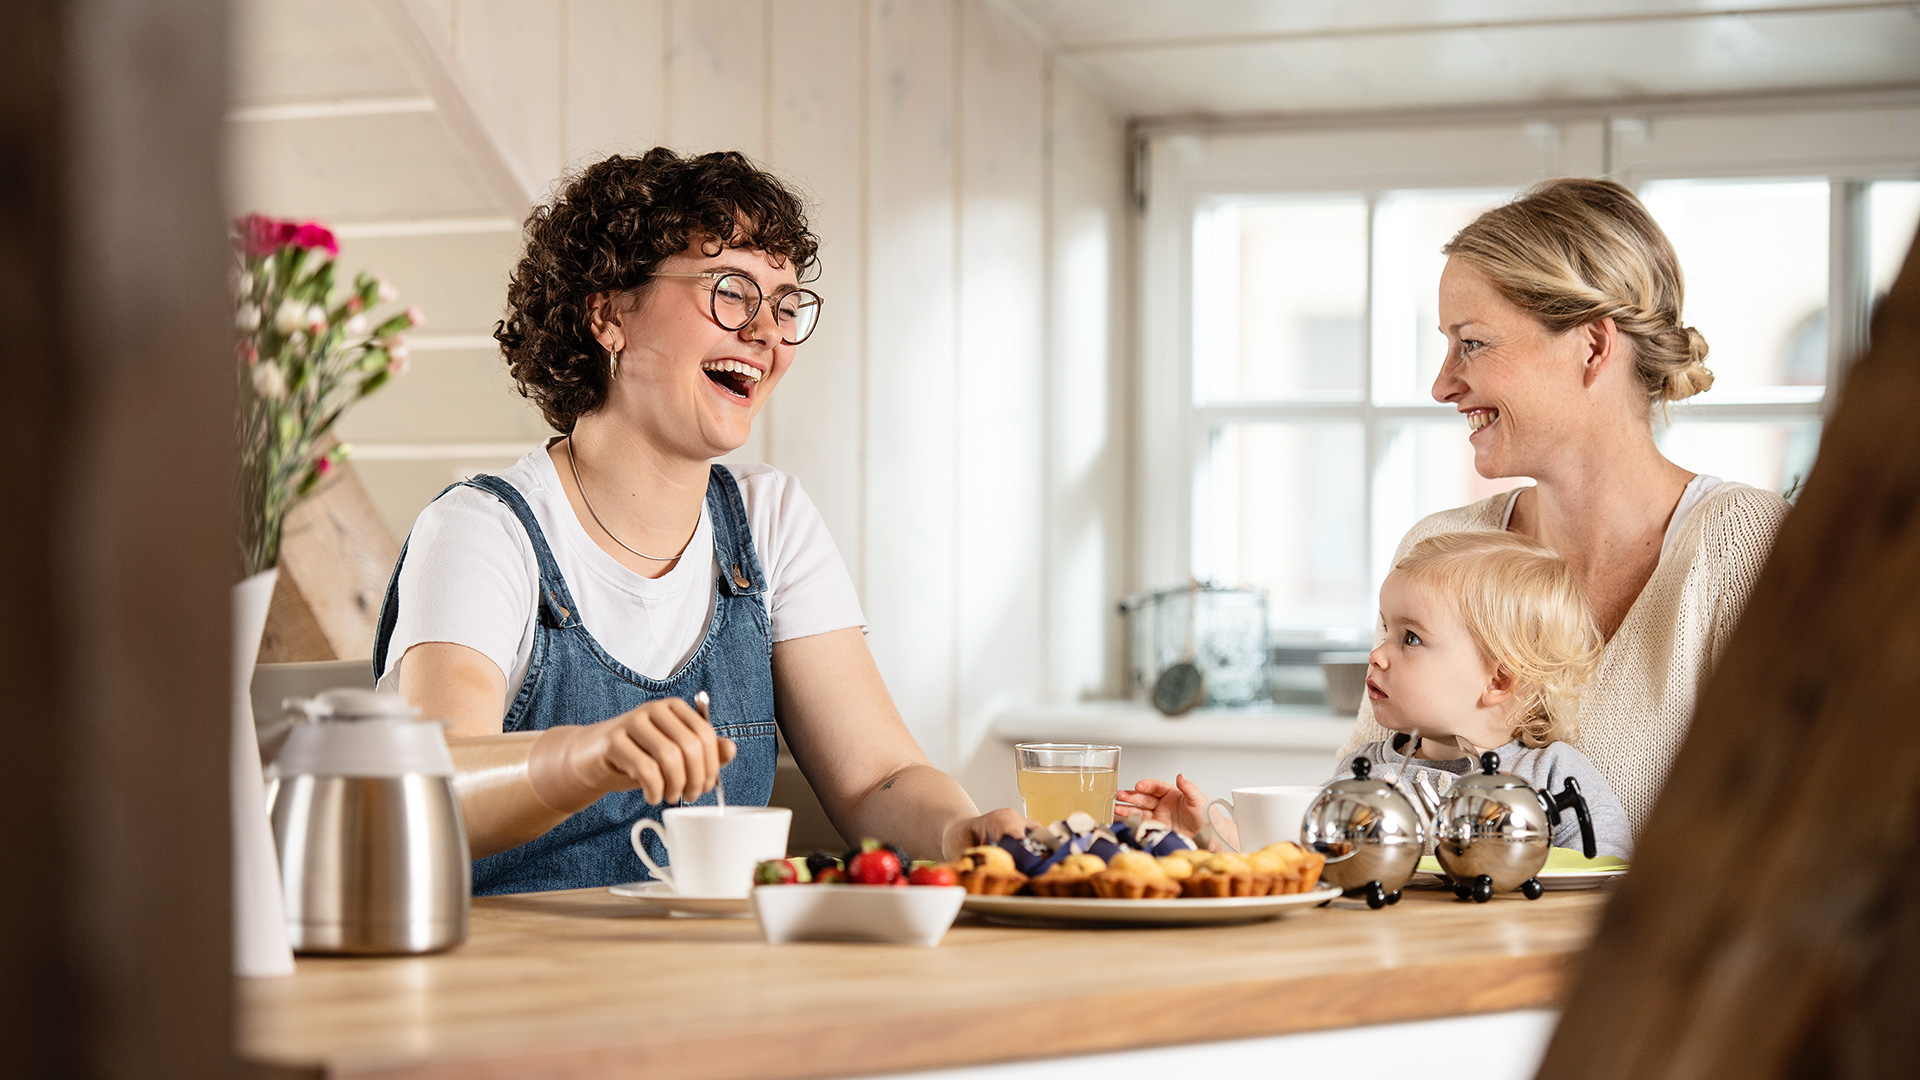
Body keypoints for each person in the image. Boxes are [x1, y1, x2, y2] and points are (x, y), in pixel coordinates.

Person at [372, 149, 1026, 895]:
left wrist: (955, 832)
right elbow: (432, 783)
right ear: (608, 313)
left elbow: (878, 778)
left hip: (710, 985)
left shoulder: (768, 520)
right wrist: (585, 756)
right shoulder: (484, 531)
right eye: (731, 292)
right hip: (516, 991)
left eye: (784, 306)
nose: (768, 335)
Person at [1120, 530, 1632, 859]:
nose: (1378, 655)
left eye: (1410, 638)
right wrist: (1206, 833)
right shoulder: (1363, 775)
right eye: (1384, 630)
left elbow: (1608, 881)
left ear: (1498, 680)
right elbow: (1296, 869)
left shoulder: (1553, 777)